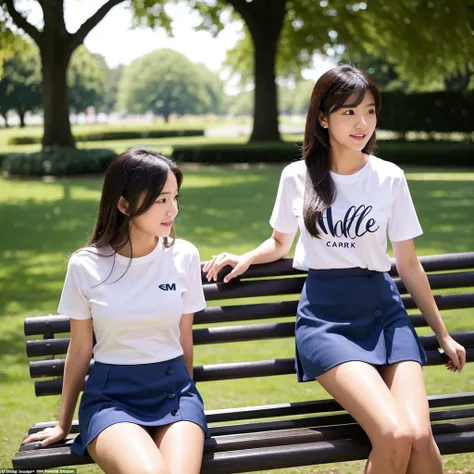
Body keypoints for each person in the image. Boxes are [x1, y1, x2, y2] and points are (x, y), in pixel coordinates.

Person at [203, 65, 466, 474]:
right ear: (323, 118)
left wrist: (442, 334)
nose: (363, 123)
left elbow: (408, 264)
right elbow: (279, 243)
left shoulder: (389, 177)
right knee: (394, 435)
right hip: (327, 321)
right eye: (349, 112)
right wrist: (246, 258)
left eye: (370, 111)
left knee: (418, 439)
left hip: (385, 316)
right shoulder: (298, 176)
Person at [22, 147, 208, 474]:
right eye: (161, 200)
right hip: (112, 400)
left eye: (175, 198)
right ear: (124, 204)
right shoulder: (86, 265)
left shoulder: (184, 256)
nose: (173, 210)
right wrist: (64, 424)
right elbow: (80, 349)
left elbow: (184, 339)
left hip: (174, 392)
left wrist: (185, 405)